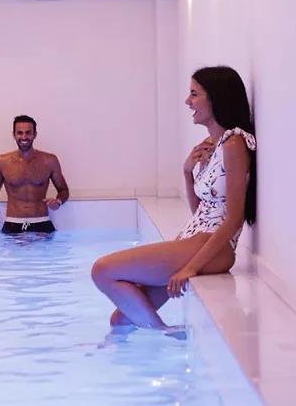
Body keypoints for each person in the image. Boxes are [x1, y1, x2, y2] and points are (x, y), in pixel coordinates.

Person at [91, 66, 257, 330]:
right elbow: (200, 212)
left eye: (194, 94)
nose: (188, 101)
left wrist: (191, 267)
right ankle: (168, 333)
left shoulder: (234, 144)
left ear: (216, 98)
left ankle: (163, 333)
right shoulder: (211, 146)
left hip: (214, 247)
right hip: (195, 238)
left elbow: (234, 218)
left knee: (102, 270)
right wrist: (187, 172)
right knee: (121, 320)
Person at [0, 115, 69, 234]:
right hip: (12, 223)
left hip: (42, 222)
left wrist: (58, 202)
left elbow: (63, 190)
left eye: (28, 133)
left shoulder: (50, 161)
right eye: (20, 133)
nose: (24, 137)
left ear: (35, 134)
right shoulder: (2, 162)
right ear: (14, 135)